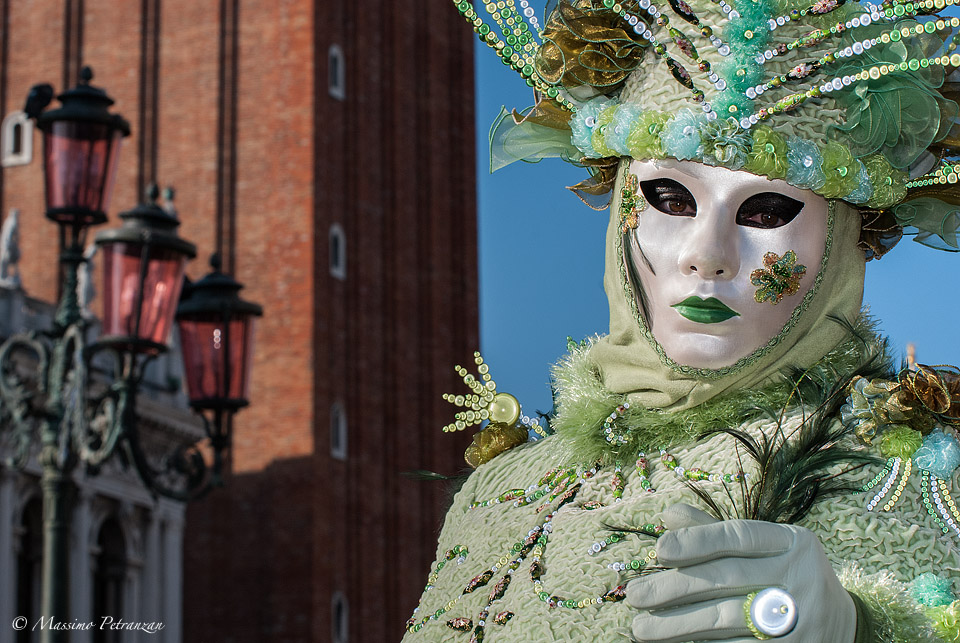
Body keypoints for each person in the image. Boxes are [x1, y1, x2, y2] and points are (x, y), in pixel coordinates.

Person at [403, 0, 960, 640]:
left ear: (839, 239)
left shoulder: (897, 471)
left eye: (767, 210)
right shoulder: (498, 486)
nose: (707, 256)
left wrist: (861, 629)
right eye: (671, 198)